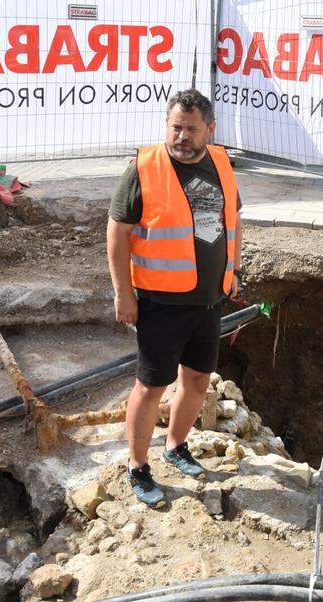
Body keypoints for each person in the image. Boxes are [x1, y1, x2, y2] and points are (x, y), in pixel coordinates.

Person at [105, 88, 243, 508]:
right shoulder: (143, 169)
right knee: (151, 386)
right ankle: (137, 466)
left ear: (210, 130)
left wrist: (233, 271)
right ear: (167, 125)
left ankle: (176, 446)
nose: (182, 136)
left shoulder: (221, 162)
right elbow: (117, 233)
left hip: (208, 299)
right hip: (161, 303)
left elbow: (232, 220)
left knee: (198, 379)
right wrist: (123, 293)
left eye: (191, 129)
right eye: (176, 127)